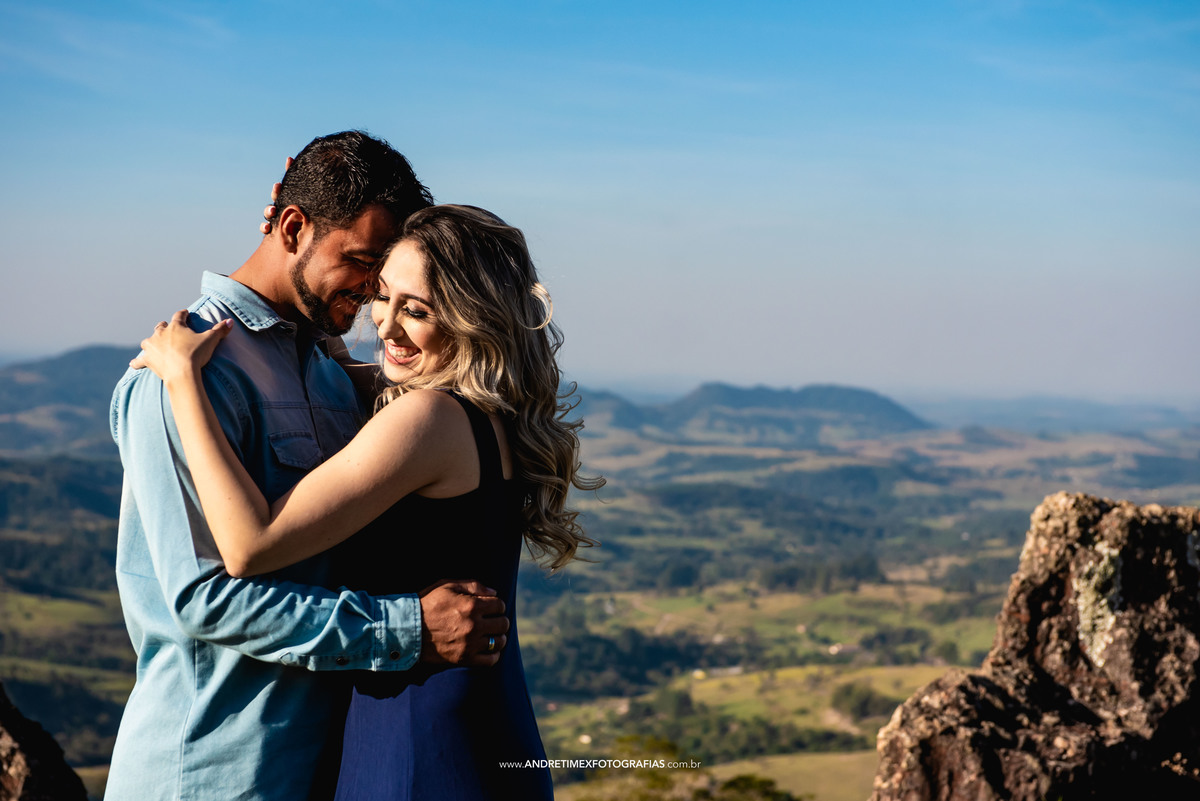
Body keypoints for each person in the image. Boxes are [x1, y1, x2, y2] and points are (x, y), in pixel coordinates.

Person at [133, 203, 600, 800]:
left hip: (417, 734)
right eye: (382, 296)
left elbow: (250, 545)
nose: (386, 326)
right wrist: (297, 249)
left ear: (472, 320)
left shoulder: (426, 418)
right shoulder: (484, 413)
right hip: (481, 723)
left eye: (418, 310)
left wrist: (183, 381)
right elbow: (355, 366)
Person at [107, 132, 510, 801]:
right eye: (362, 261)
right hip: (211, 774)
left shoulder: (329, 370)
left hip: (328, 769)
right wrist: (408, 629)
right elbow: (202, 599)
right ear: (293, 227)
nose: (373, 290)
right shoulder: (188, 374)